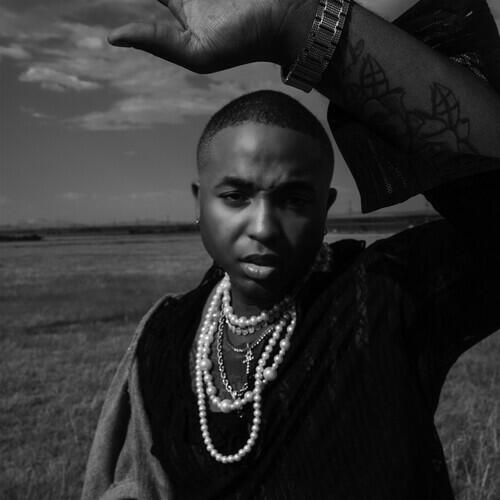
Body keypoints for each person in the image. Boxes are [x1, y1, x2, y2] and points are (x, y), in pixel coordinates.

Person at [82, 0, 500, 498]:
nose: (263, 227)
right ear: (200, 203)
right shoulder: (164, 337)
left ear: (326, 208)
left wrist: (293, 23)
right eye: (235, 196)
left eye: (294, 200)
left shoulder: (383, 298)